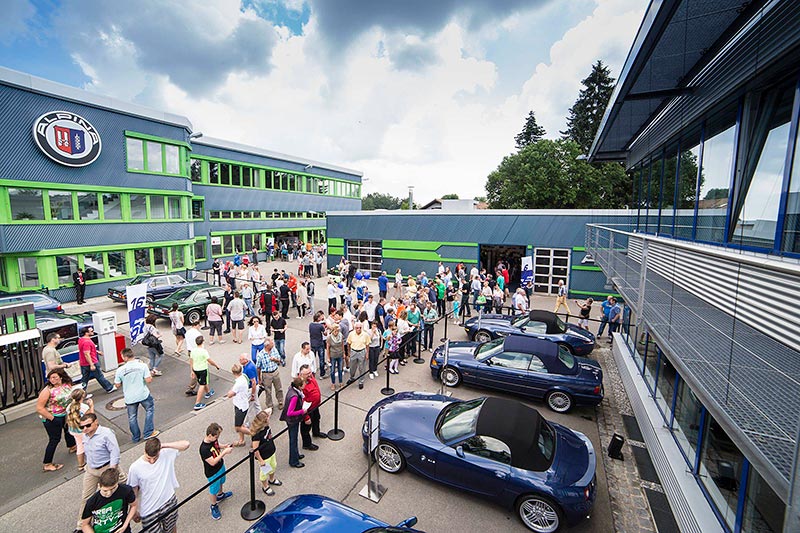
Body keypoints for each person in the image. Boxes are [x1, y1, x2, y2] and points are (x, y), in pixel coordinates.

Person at [127, 437, 190, 533]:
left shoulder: (166, 453)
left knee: (171, 527)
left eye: (155, 457)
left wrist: (164, 445)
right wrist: (134, 510)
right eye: (149, 458)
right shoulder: (135, 467)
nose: (152, 461)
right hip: (149, 510)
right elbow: (134, 489)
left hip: (168, 501)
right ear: (144, 451)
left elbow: (186, 444)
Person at [79, 413, 128, 529]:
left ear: (96, 422)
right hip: (91, 470)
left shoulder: (106, 433)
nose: (85, 429)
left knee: (124, 486)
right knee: (86, 497)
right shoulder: (85, 435)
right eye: (82, 427)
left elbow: (115, 452)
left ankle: (132, 504)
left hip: (106, 467)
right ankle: (81, 526)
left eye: (88, 425)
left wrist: (112, 470)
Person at [114, 348, 158, 443]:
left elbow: (117, 385)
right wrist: (150, 375)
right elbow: (148, 380)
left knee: (132, 417)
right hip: (143, 393)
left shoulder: (120, 370)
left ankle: (136, 437)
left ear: (125, 357)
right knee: (149, 410)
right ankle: (148, 432)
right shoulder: (142, 366)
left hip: (130, 397)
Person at [37, 368, 75, 472]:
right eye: (50, 378)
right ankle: (47, 463)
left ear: (61, 377)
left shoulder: (66, 384)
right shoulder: (47, 390)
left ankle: (72, 446)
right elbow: (39, 408)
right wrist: (53, 419)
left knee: (68, 431)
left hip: (65, 414)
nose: (52, 380)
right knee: (54, 439)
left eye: (55, 377)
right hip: (52, 417)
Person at [79, 467, 137, 533]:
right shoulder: (92, 501)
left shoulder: (126, 490)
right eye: (105, 490)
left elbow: (134, 505)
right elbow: (85, 524)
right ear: (99, 486)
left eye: (113, 488)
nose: (109, 493)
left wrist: (125, 525)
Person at [199, 423, 234, 520]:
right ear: (210, 435)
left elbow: (217, 445)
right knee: (213, 488)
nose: (217, 438)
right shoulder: (204, 449)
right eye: (216, 437)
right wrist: (224, 453)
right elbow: (213, 462)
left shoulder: (214, 440)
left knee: (221, 481)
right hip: (212, 472)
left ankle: (221, 494)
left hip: (220, 466)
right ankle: (213, 505)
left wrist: (224, 446)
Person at [250, 410, 281, 496]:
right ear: (263, 422)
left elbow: (269, 410)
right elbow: (255, 449)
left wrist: (265, 414)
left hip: (271, 451)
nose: (269, 419)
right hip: (264, 456)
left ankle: (272, 479)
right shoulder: (256, 435)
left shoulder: (266, 427)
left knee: (273, 466)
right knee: (264, 473)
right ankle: (265, 486)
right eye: (267, 418)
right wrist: (260, 460)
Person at [280, 377, 307, 468]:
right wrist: (302, 411)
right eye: (303, 384)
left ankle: (296, 454)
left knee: (294, 439)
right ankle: (293, 461)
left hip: (293, 420)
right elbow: (290, 412)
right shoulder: (294, 397)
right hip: (292, 421)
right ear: (299, 386)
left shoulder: (292, 390)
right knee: (293, 440)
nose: (305, 385)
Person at [78, 327, 115, 393]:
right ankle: (109, 388)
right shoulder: (87, 342)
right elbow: (87, 354)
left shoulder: (81, 340)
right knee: (100, 376)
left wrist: (96, 351)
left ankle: (81, 393)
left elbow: (86, 350)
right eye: (91, 331)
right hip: (92, 362)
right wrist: (91, 364)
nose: (93, 331)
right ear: (86, 333)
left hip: (83, 363)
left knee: (84, 379)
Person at [299, 364, 326, 450]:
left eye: (310, 372)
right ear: (301, 375)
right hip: (307, 410)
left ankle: (316, 432)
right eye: (307, 373)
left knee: (316, 418)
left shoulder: (311, 378)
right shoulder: (300, 386)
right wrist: (306, 417)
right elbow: (301, 404)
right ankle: (307, 444)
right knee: (306, 427)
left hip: (315, 406)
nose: (310, 374)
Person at [190, 336, 221, 411]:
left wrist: (192, 371)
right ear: (203, 342)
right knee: (202, 385)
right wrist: (216, 365)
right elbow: (210, 361)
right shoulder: (204, 351)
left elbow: (191, 361)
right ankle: (197, 403)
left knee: (203, 381)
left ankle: (208, 392)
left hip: (196, 369)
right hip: (203, 369)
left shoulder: (193, 351)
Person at [66, 387, 94, 471]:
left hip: (73, 429)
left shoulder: (69, 406)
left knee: (79, 445)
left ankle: (81, 464)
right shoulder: (84, 407)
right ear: (82, 397)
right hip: (83, 430)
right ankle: (92, 462)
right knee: (90, 444)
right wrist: (92, 406)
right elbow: (91, 417)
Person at [225, 364, 251, 447]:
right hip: (241, 403)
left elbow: (230, 394)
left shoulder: (239, 383)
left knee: (237, 427)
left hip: (241, 406)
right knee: (241, 423)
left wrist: (229, 392)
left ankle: (254, 434)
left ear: (233, 373)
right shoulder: (243, 377)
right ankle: (241, 440)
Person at [256, 338, 284, 411]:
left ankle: (280, 401)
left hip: (275, 372)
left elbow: (279, 359)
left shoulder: (274, 350)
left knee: (279, 388)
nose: (273, 344)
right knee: (268, 391)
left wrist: (275, 359)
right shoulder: (260, 355)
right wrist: (259, 379)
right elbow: (258, 368)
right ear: (267, 346)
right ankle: (270, 405)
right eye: (272, 343)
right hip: (266, 374)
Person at [346, 322, 370, 389]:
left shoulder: (365, 335)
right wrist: (349, 352)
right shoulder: (351, 334)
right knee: (352, 367)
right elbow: (348, 343)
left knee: (362, 367)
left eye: (360, 328)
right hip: (353, 351)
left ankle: (361, 381)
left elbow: (367, 345)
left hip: (362, 351)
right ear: (355, 328)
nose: (358, 329)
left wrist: (367, 353)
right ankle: (351, 378)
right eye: (357, 328)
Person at [184, 320, 202, 397]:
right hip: (196, 352)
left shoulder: (187, 332)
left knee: (193, 368)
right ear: (197, 325)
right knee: (197, 369)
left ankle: (193, 386)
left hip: (190, 351)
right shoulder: (198, 334)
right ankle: (192, 387)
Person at [326, 324, 345, 391]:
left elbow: (342, 344)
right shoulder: (329, 338)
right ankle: (333, 383)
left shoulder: (341, 335)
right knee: (332, 370)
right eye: (335, 331)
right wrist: (328, 357)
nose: (336, 333)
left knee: (340, 369)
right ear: (332, 331)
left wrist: (344, 353)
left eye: (337, 331)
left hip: (340, 354)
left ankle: (340, 382)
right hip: (333, 355)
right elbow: (328, 348)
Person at [309, 311, 327, 378]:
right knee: (321, 359)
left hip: (313, 343)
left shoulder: (311, 324)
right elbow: (325, 333)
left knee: (312, 359)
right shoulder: (320, 326)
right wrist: (325, 329)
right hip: (320, 343)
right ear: (318, 318)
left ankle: (312, 372)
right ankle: (322, 374)